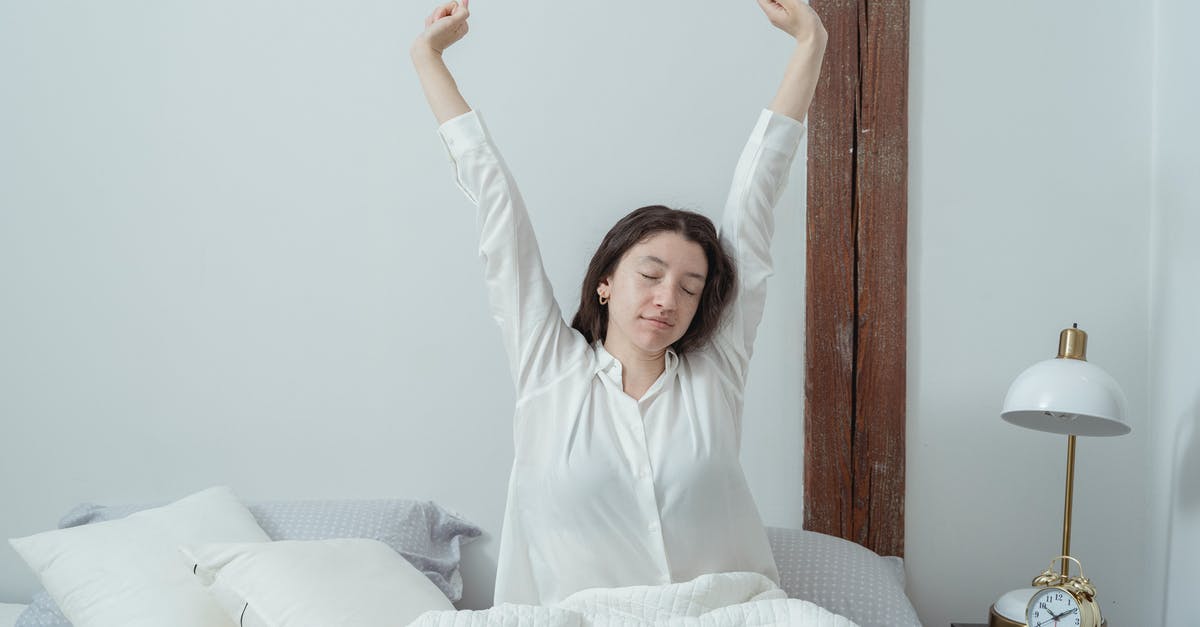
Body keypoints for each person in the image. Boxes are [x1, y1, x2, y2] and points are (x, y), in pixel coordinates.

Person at [411, 0, 827, 607]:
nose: (668, 299)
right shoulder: (548, 370)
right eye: (651, 275)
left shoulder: (716, 376)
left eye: (689, 288)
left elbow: (757, 195)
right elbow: (497, 208)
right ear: (605, 280)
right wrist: (429, 59)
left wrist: (809, 44)